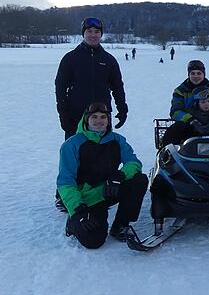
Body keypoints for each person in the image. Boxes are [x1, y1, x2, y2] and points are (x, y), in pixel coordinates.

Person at [55, 17, 128, 210]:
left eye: (97, 32)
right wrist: (63, 114)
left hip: (101, 116)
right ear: (83, 33)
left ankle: (102, 188)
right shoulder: (71, 58)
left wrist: (123, 108)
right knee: (73, 154)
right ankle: (65, 194)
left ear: (101, 34)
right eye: (89, 31)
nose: (93, 35)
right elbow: (60, 87)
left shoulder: (108, 59)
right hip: (76, 116)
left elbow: (117, 86)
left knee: (102, 151)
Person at [57, 102, 148, 249]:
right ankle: (72, 224)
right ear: (86, 120)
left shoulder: (117, 140)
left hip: (109, 188)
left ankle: (120, 226)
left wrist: (119, 176)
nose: (99, 121)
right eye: (94, 117)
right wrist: (77, 209)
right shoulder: (72, 144)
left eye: (103, 117)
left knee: (139, 180)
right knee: (93, 241)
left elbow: (133, 162)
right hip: (86, 198)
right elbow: (65, 181)